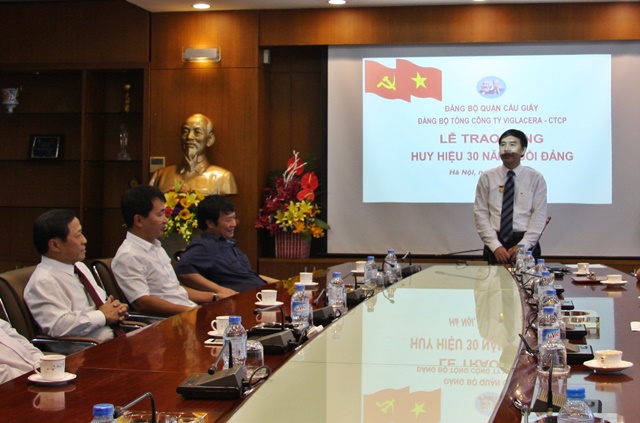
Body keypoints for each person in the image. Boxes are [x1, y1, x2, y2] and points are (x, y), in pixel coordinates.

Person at [24, 210, 129, 343]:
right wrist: (102, 315)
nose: (84, 240)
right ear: (55, 245)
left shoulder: (79, 267)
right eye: (78, 235)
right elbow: (59, 326)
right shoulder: (43, 281)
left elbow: (102, 305)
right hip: (86, 349)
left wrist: (116, 310)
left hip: (114, 338)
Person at [112, 185, 217, 316]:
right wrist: (191, 312)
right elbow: (143, 302)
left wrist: (214, 296)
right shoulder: (128, 255)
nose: (165, 220)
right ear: (139, 220)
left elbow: (174, 290)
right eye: (160, 214)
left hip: (187, 312)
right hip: (168, 321)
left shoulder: (156, 247)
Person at [175, 195, 277, 296]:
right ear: (210, 223)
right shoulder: (204, 246)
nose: (234, 224)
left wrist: (281, 284)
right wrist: (220, 290)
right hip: (244, 300)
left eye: (234, 218)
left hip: (262, 295)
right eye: (228, 220)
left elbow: (247, 275)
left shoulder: (227, 244)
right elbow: (183, 271)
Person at [474, 129, 547, 265]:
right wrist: (495, 246)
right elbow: (480, 214)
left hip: (526, 245)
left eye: (512, 144)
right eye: (502, 145)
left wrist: (523, 245)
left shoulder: (535, 178)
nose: (506, 149)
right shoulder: (487, 177)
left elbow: (539, 215)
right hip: (495, 244)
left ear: (523, 150)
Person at [149, 113, 238, 195]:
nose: (189, 137)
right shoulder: (160, 175)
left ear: (210, 139)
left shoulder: (223, 178)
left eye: (197, 132)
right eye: (185, 131)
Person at [0, 318, 44, 384]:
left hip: (35, 374)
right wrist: (29, 376)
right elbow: (4, 375)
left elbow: (24, 343)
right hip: (14, 383)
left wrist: (43, 364)